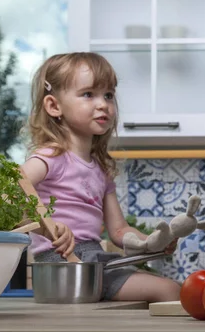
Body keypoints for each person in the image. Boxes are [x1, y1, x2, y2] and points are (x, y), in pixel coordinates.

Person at [21, 52, 180, 303]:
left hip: (94, 260)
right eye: (88, 94)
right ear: (54, 106)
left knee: (170, 290)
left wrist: (151, 242)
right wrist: (48, 227)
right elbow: (11, 190)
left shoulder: (100, 170)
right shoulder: (51, 157)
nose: (103, 104)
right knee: (170, 290)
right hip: (63, 261)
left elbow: (118, 230)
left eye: (108, 95)